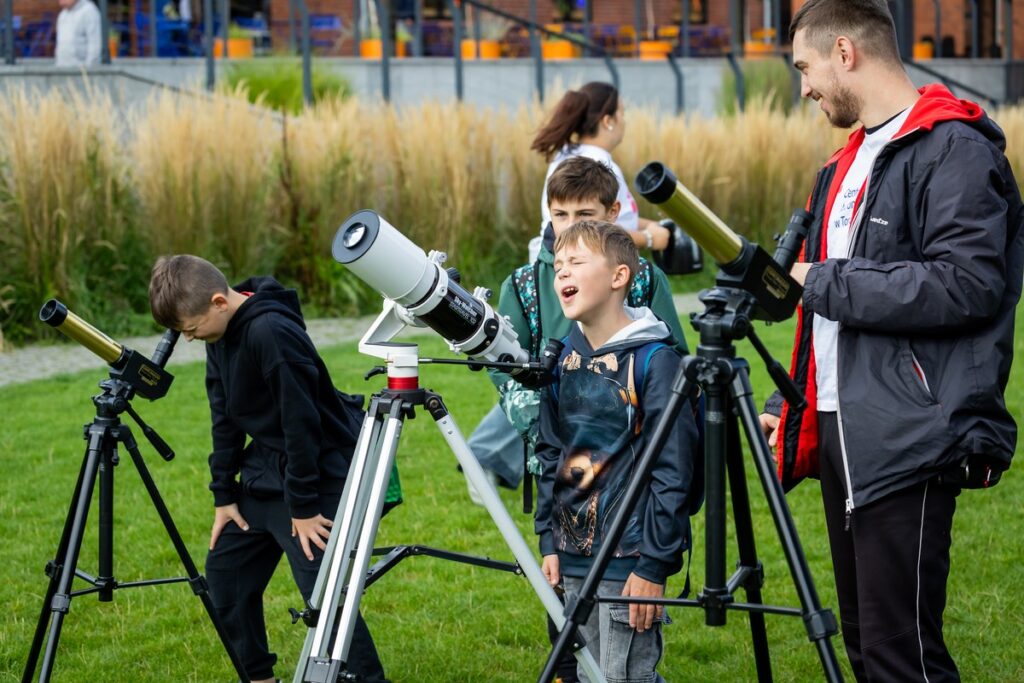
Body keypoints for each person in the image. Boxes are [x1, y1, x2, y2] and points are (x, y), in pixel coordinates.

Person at [759, 1, 1023, 680]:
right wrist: (792, 403)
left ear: (845, 52)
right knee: (864, 645)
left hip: (911, 432)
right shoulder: (842, 163)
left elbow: (967, 283)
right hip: (838, 425)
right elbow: (827, 317)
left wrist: (823, 279)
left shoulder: (955, 148)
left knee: (902, 656)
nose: (804, 87)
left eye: (805, 68)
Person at [148, 255, 390, 683]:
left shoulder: (272, 332)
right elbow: (223, 417)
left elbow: (302, 425)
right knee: (225, 576)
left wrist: (304, 508)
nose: (188, 339)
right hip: (265, 471)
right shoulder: (219, 333)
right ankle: (259, 678)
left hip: (318, 472)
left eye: (191, 329)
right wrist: (224, 495)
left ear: (219, 302)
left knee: (322, 596)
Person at [466, 156, 688, 506]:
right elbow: (503, 367)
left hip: (634, 457)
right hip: (558, 460)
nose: (570, 226)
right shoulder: (523, 285)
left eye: (584, 215)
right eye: (560, 215)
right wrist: (543, 428)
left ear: (612, 213)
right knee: (561, 537)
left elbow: (675, 361)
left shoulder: (643, 277)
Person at [536, 220, 698, 683]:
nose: (562, 272)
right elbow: (551, 452)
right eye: (558, 265)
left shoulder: (656, 361)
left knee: (624, 676)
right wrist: (548, 539)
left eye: (576, 262)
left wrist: (654, 563)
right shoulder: (561, 361)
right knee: (587, 675)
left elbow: (674, 472)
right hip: (570, 557)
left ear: (618, 276)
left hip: (630, 560)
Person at [530, 81, 671, 261]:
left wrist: (656, 225)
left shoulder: (569, 153)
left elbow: (612, 215)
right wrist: (649, 239)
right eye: (622, 113)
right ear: (608, 121)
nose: (624, 121)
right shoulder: (596, 165)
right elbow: (592, 227)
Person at [54, 0, 101, 67]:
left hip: (81, 70)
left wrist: (90, 69)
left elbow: (95, 44)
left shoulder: (89, 11)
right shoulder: (63, 15)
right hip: (62, 68)